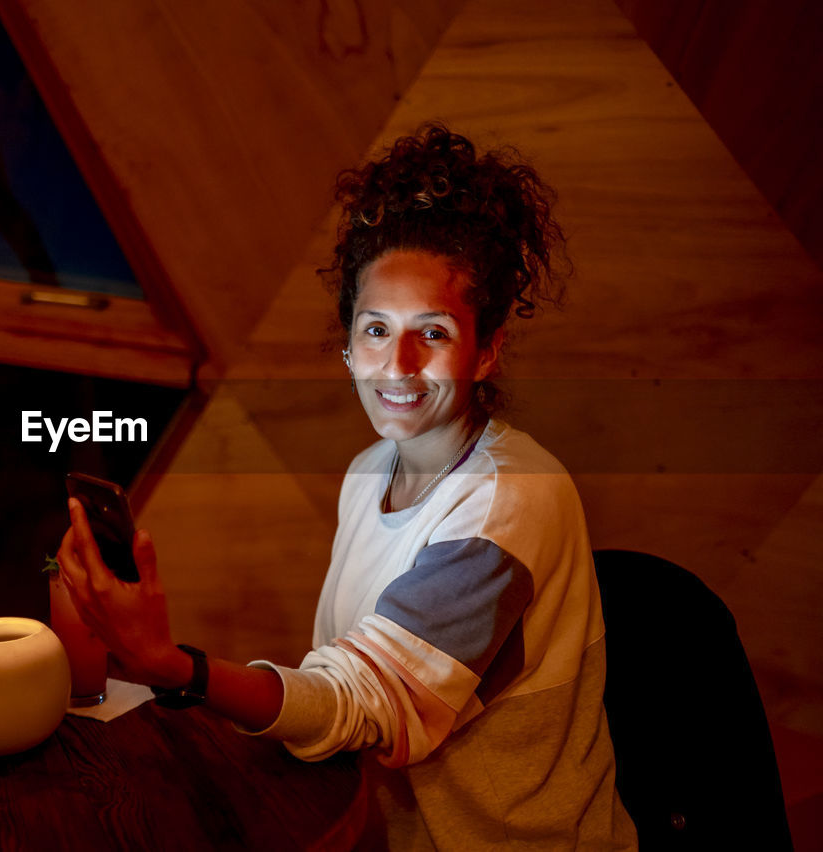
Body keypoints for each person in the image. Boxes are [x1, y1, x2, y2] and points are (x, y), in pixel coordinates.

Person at [58, 123, 637, 849]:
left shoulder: (514, 500)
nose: (397, 364)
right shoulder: (369, 474)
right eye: (374, 329)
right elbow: (346, 678)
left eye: (433, 334)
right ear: (346, 344)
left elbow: (363, 703)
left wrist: (174, 667)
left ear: (487, 350)